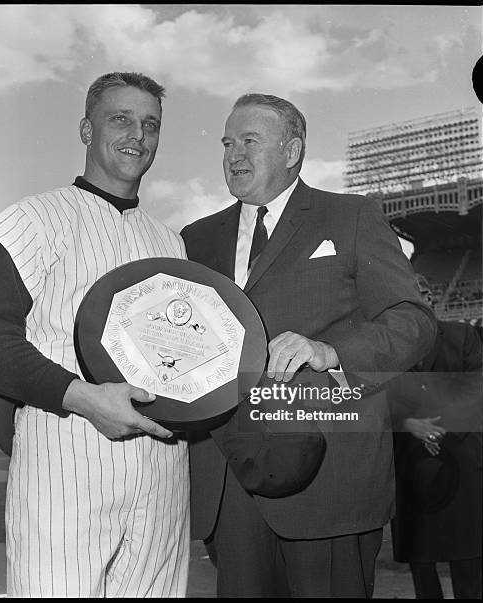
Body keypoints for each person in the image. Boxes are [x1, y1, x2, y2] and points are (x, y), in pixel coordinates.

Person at [180, 93, 436, 598]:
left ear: (292, 150)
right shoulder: (196, 238)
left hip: (330, 481)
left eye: (250, 141)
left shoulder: (351, 216)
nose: (234, 155)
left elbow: (414, 321)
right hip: (230, 484)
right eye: (229, 143)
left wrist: (332, 351)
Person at [0, 72, 190, 598]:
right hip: (67, 461)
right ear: (86, 130)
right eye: (120, 119)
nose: (137, 134)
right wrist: (84, 398)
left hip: (162, 471)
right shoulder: (33, 220)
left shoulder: (171, 242)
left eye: (150, 124)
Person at [389, 275, 482, 599]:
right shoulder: (390, 351)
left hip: (461, 465)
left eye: (422, 294)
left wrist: (437, 428)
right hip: (413, 472)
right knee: (422, 566)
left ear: (431, 297)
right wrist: (409, 424)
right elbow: (380, 403)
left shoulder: (463, 335)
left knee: (469, 567)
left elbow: (476, 392)